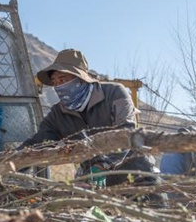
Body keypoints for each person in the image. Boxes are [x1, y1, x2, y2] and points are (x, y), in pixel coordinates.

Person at [20, 49, 162, 194]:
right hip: (95, 185)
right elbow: (37, 144)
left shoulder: (114, 93)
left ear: (80, 79)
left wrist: (102, 164)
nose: (58, 87)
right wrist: (10, 163)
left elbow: (126, 133)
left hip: (138, 178)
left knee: (154, 213)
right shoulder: (58, 114)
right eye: (55, 82)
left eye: (62, 80)